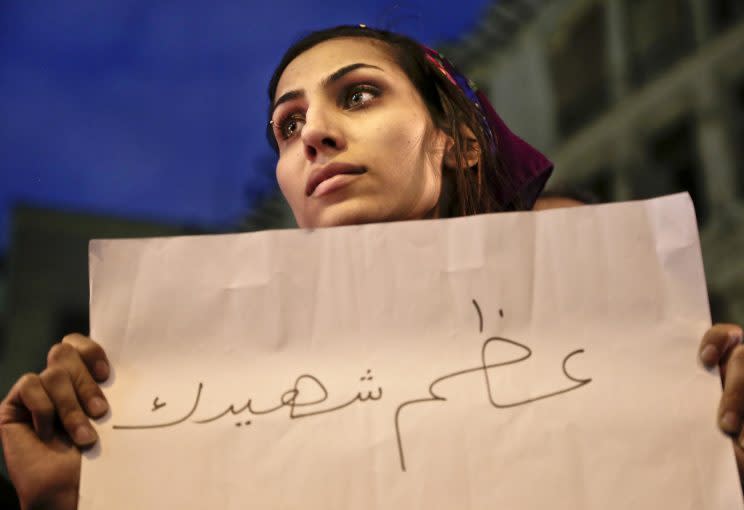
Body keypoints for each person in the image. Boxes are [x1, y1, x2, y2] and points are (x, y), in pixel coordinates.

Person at [1, 25, 742, 509]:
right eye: (287, 128)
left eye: (357, 95)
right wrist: (78, 492)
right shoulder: (195, 383)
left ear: (458, 141)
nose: (314, 134)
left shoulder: (594, 279)